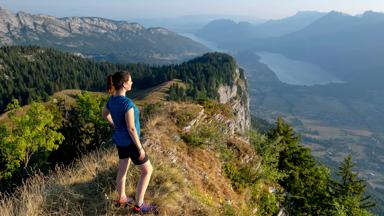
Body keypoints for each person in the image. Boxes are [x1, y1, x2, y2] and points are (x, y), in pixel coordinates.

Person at [102, 71, 156, 214]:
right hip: (131, 143)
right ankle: (139, 205)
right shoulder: (127, 104)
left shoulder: (112, 99)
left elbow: (104, 114)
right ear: (125, 84)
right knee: (147, 170)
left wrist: (113, 125)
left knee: (122, 170)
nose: (132, 83)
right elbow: (131, 129)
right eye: (130, 81)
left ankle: (122, 199)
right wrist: (140, 148)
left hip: (120, 141)